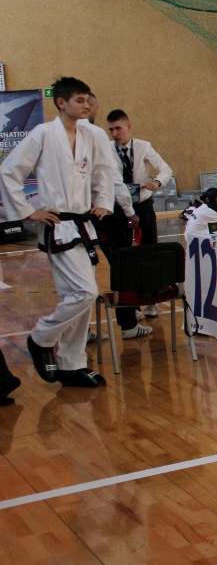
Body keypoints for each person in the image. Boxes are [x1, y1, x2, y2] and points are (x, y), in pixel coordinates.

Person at [0, 76, 115, 388]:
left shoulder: (92, 133)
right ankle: (41, 337)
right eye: (79, 100)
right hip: (58, 225)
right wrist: (28, 211)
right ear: (61, 102)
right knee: (85, 293)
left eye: (87, 100)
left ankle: (70, 365)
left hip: (83, 223)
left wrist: (104, 200)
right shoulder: (43, 134)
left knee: (74, 295)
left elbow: (104, 169)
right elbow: (9, 171)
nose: (86, 105)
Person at [84, 97, 150, 340]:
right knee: (120, 266)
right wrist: (130, 213)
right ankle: (128, 324)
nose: (113, 133)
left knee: (88, 273)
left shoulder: (76, 136)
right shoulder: (92, 135)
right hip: (99, 213)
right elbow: (113, 180)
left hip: (88, 213)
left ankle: (125, 317)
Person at [107, 108, 173, 318]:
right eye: (111, 130)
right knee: (124, 255)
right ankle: (131, 305)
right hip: (119, 207)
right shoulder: (106, 149)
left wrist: (156, 182)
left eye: (118, 128)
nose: (115, 133)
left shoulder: (143, 146)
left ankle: (152, 300)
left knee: (150, 251)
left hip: (143, 205)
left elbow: (166, 169)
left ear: (129, 127)